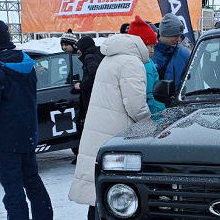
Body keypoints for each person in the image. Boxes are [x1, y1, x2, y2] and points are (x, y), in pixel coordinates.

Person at [0, 19, 55, 220]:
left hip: (5, 135)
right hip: (28, 131)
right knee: (32, 177)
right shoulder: (27, 63)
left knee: (12, 184)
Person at [69, 32, 149, 209]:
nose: (151, 52)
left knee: (98, 189)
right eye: (150, 47)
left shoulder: (110, 59)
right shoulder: (131, 63)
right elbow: (135, 106)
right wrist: (149, 123)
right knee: (119, 193)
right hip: (118, 132)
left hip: (100, 127)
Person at [128, 15, 164, 114]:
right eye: (150, 46)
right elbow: (150, 95)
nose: (152, 51)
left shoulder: (126, 60)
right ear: (141, 46)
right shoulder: (146, 64)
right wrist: (158, 119)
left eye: (154, 46)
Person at [73, 36, 104, 131]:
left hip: (92, 98)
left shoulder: (89, 57)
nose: (78, 51)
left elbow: (93, 72)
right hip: (100, 98)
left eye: (79, 48)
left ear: (84, 48)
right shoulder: (98, 54)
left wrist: (81, 85)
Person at [153, 13, 191, 91]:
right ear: (165, 34)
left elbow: (193, 81)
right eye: (176, 36)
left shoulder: (184, 55)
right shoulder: (150, 52)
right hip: (154, 102)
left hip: (177, 101)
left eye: (179, 36)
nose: (179, 39)